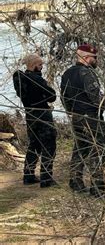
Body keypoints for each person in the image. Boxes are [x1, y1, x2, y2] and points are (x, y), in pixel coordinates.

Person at [60, 44, 105, 198]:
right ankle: (98, 189)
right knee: (98, 150)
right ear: (87, 57)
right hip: (90, 118)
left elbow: (64, 97)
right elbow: (96, 98)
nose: (96, 60)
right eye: (95, 58)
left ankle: (75, 182)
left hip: (76, 117)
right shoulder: (86, 73)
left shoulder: (67, 73)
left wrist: (70, 113)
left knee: (80, 149)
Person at [12, 53, 57, 187]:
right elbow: (52, 96)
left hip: (30, 114)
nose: (42, 67)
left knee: (34, 145)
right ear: (33, 65)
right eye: (40, 65)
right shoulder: (36, 79)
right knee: (49, 145)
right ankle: (46, 178)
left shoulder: (21, 79)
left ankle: (28, 175)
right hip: (43, 114)